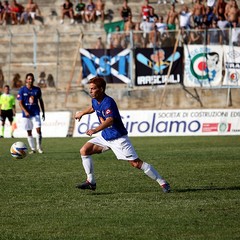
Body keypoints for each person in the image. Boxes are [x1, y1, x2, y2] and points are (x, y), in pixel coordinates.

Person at [74, 76, 170, 193]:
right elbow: (93, 108)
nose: (91, 91)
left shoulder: (108, 102)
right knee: (84, 150)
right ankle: (91, 182)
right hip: (105, 137)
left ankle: (162, 182)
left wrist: (95, 130)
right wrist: (82, 113)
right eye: (90, 88)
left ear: (101, 89)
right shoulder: (95, 100)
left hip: (118, 138)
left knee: (136, 163)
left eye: (93, 89)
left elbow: (110, 120)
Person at [17, 73, 45, 154]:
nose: (30, 80)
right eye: (29, 79)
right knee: (29, 131)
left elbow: (41, 101)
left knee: (38, 130)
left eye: (32, 79)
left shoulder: (37, 89)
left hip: (35, 112)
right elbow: (20, 103)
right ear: (26, 80)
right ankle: (33, 148)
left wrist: (43, 112)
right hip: (26, 114)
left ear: (33, 80)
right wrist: (25, 111)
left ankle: (39, 147)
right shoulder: (22, 90)